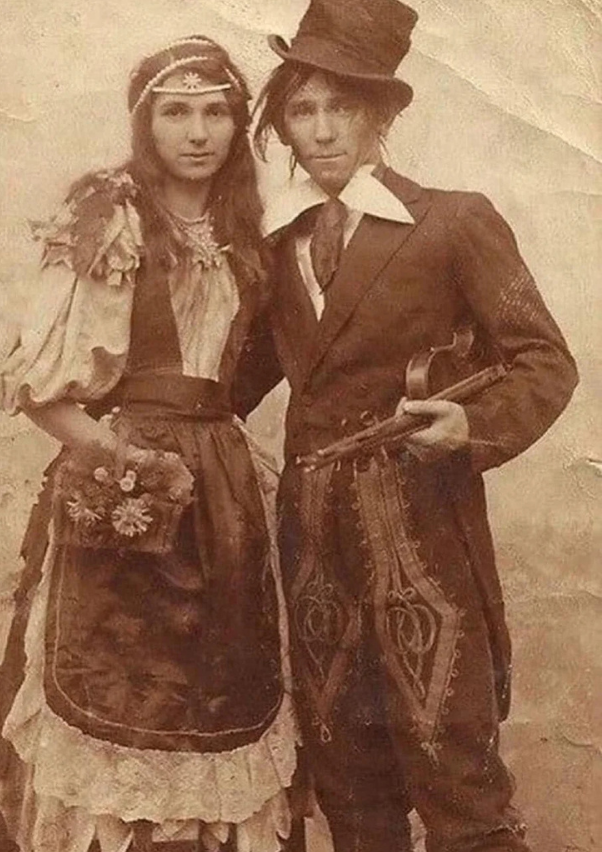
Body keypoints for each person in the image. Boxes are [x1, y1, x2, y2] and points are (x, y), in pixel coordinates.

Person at [236, 0, 578, 848]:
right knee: (349, 780)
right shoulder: (280, 250)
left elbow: (544, 361)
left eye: (341, 107)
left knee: (455, 772)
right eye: (301, 110)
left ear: (382, 114)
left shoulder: (453, 221)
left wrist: (469, 424)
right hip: (313, 546)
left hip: (421, 538)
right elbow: (224, 386)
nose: (320, 131)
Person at [0, 36, 301, 852]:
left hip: (224, 491)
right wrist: (122, 464)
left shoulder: (250, 230)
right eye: (176, 112)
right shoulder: (110, 214)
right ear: (145, 123)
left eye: (217, 112)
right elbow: (42, 391)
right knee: (119, 687)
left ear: (238, 124)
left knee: (219, 694)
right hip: (126, 481)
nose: (198, 132)